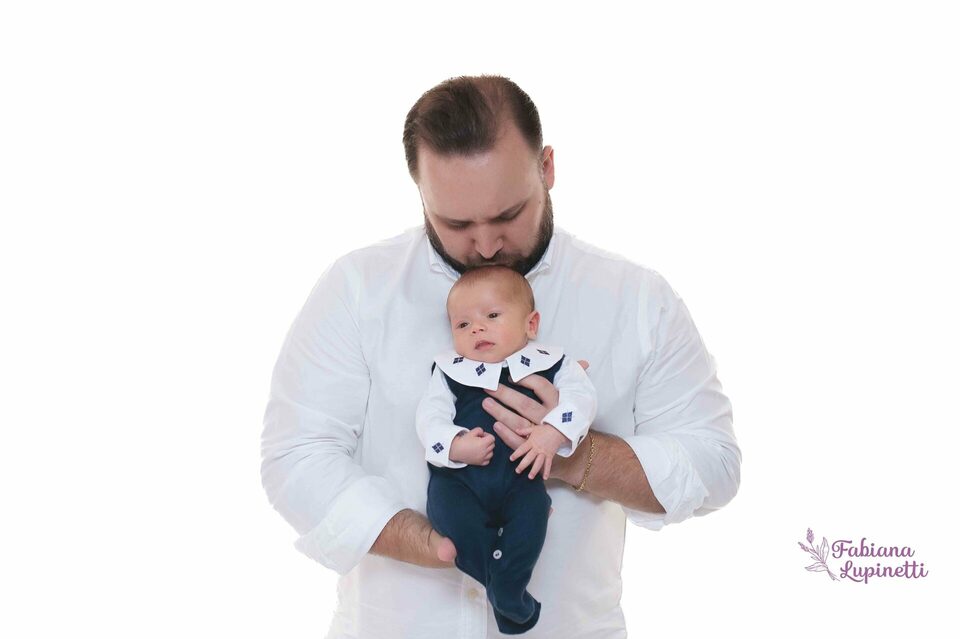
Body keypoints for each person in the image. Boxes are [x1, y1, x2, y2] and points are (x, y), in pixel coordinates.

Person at [260, 75, 741, 639]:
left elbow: (715, 466)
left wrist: (572, 453)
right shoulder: (356, 289)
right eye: (457, 224)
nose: (486, 246)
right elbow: (295, 456)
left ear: (548, 168)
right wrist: (422, 540)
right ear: (420, 192)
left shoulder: (637, 300)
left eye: (508, 215)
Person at [417, 265, 598, 634]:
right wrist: (455, 445)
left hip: (521, 476)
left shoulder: (553, 363)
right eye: (463, 324)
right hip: (459, 481)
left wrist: (552, 433)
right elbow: (429, 416)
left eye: (492, 316)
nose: (477, 329)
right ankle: (506, 592)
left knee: (531, 521)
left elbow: (582, 399)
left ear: (531, 325)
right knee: (455, 524)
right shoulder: (450, 371)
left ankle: (507, 587)